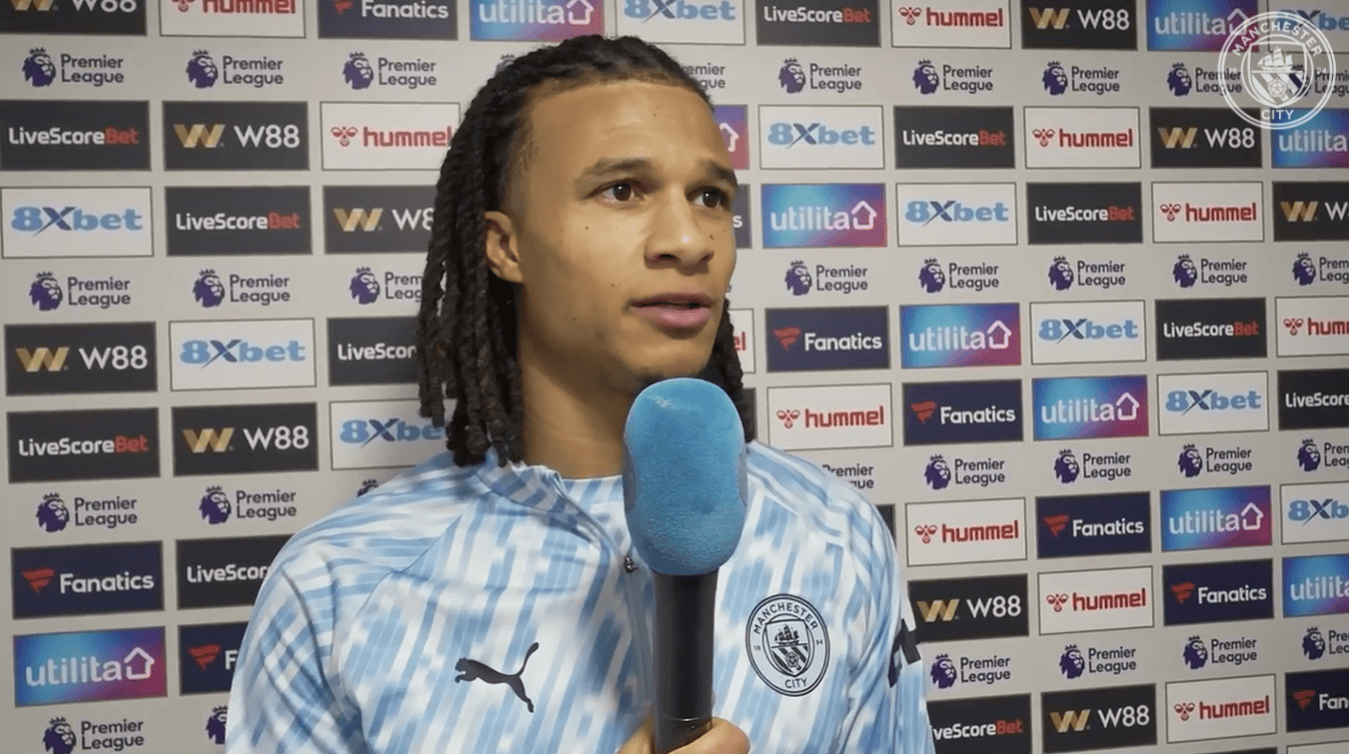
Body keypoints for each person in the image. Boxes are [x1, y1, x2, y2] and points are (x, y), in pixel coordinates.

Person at [224, 35, 936, 754]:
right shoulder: (336, 586)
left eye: (709, 197)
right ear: (505, 246)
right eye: (622, 190)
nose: (690, 240)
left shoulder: (835, 533)